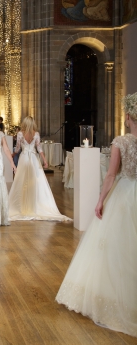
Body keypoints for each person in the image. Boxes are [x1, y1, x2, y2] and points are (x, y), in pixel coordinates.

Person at [56, 93, 137, 337]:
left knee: (117, 247)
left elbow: (111, 175)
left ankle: (115, 296)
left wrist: (100, 200)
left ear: (128, 116)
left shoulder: (121, 142)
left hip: (125, 194)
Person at [8, 116, 70, 222]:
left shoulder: (20, 134)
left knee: (22, 182)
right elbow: (39, 148)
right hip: (33, 159)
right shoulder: (36, 134)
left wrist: (12, 154)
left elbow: (18, 148)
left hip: (24, 159)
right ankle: (34, 205)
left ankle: (23, 205)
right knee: (36, 181)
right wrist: (45, 160)